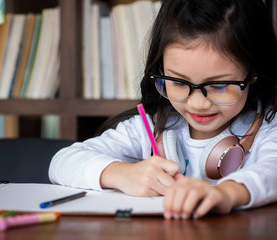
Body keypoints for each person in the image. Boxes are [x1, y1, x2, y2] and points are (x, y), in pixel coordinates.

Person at [49, 0, 277, 219]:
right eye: (178, 83)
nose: (197, 103)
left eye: (218, 85)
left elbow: (272, 172)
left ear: (253, 73)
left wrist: (225, 193)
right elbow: (62, 162)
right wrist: (123, 174)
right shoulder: (150, 126)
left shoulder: (268, 127)